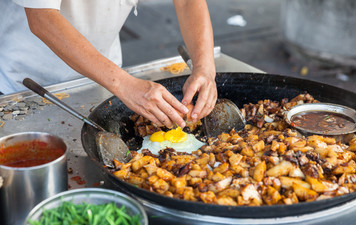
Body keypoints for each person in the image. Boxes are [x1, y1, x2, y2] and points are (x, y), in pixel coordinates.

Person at [0, 0, 217, 129]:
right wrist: (123, 84)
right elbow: (42, 18)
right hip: (28, 80)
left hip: (104, 75)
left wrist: (205, 67)